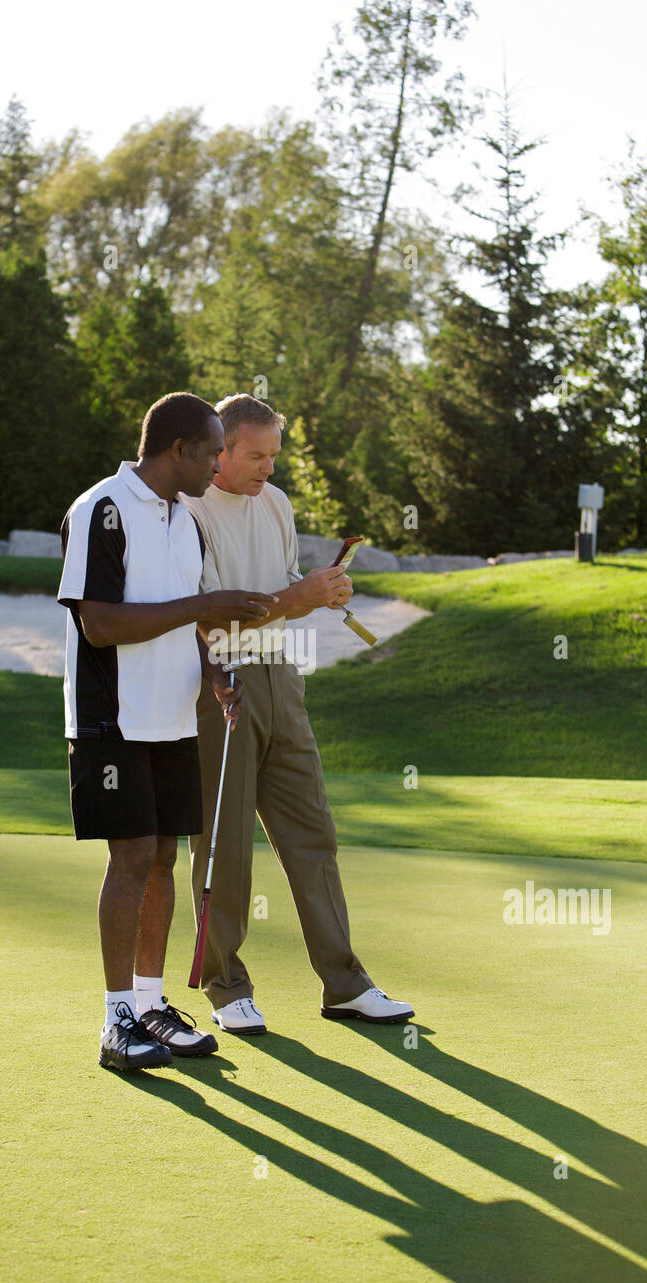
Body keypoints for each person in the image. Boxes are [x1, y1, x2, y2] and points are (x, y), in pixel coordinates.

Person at [179, 394, 415, 1034]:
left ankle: (345, 984)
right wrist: (296, 596)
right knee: (223, 845)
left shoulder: (276, 504)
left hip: (282, 676)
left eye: (274, 456)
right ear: (219, 450)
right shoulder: (189, 511)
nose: (268, 470)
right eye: (256, 456)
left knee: (313, 835)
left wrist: (319, 593)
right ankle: (227, 988)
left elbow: (280, 592)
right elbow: (204, 615)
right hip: (221, 683)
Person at [58, 391, 276, 1072]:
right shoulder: (102, 509)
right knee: (130, 856)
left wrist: (215, 671)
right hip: (111, 718)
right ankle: (116, 1017)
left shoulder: (188, 521)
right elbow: (98, 622)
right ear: (178, 449)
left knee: (161, 858)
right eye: (212, 452)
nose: (218, 466)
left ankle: (151, 1004)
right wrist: (208, 604)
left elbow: (188, 620)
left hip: (174, 716)